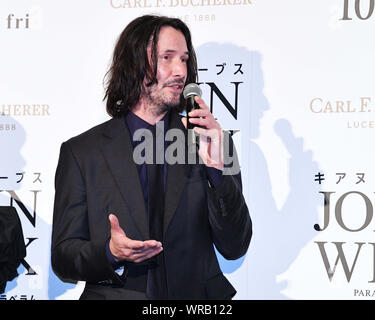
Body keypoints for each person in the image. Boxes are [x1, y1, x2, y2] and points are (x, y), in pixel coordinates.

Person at [51, 14, 252, 300]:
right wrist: (110, 253)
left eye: (184, 59)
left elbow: (236, 245)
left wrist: (217, 171)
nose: (180, 71)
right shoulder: (83, 152)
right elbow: (63, 258)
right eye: (167, 57)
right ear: (134, 64)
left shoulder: (212, 142)